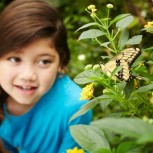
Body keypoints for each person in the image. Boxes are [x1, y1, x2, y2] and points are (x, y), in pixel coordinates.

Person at [0, 0, 92, 152]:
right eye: (15, 59)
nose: (28, 75)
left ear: (60, 63)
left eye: (44, 61)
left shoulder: (75, 107)